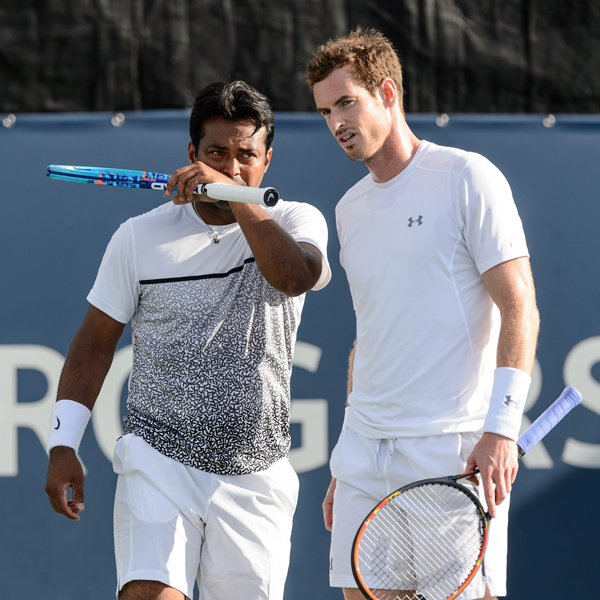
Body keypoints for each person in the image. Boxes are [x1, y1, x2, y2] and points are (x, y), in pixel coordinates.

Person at [44, 80, 331, 600]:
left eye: (247, 155)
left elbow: (293, 277)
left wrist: (238, 199)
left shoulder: (294, 220)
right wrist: (63, 442)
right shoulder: (137, 236)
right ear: (191, 155)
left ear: (268, 160)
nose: (232, 166)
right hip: (158, 459)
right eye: (216, 153)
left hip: (256, 471)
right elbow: (93, 345)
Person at [306, 29, 539, 600]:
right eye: (324, 110)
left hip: (448, 451)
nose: (336, 122)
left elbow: (520, 309)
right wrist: (345, 454)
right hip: (365, 451)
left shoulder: (467, 177)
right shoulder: (348, 210)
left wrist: (501, 430)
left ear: (387, 92)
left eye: (346, 102)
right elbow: (372, 336)